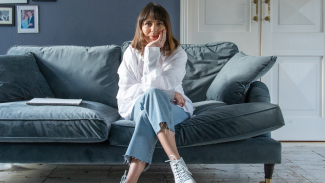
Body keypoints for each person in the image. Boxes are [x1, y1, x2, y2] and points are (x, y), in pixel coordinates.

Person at [117, 2, 196, 183]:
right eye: (148, 23)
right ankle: (177, 165)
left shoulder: (177, 53)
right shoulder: (131, 53)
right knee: (153, 95)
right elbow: (127, 91)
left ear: (167, 26)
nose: (154, 29)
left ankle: (130, 180)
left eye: (159, 23)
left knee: (148, 113)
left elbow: (155, 86)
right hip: (134, 105)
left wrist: (162, 92)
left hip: (175, 107)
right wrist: (168, 92)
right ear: (141, 26)